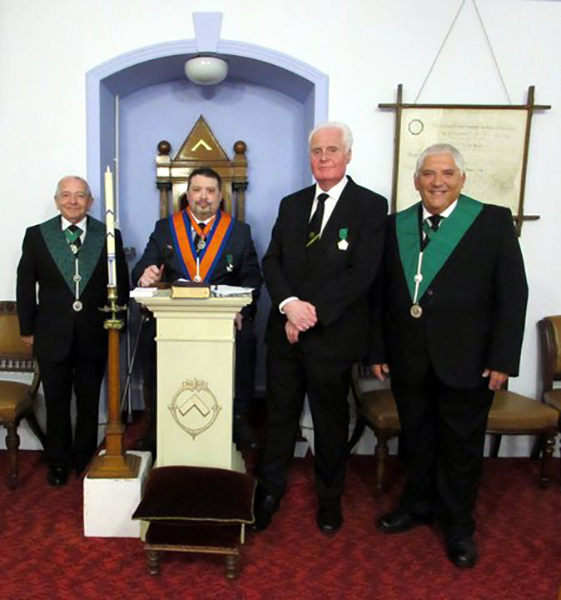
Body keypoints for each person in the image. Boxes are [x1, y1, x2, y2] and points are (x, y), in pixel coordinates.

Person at [371, 143, 528, 568]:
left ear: (462, 179)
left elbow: (513, 294)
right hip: (409, 357)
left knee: (461, 447)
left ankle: (458, 525)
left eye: (446, 174)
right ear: (416, 180)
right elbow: (380, 294)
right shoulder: (396, 226)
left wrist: (502, 359)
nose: (437, 182)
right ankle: (417, 505)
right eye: (428, 174)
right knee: (417, 439)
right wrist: (378, 348)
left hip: (468, 360)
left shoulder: (491, 221)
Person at [251, 122, 388, 534]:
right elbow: (272, 261)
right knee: (279, 416)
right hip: (285, 334)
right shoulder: (292, 204)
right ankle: (269, 491)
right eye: (316, 151)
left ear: (348, 155)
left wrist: (310, 315)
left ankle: (330, 499)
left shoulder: (370, 205)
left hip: (333, 335)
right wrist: (289, 306)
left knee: (330, 421)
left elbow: (362, 273)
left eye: (332, 150)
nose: (324, 157)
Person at [131, 167, 263, 451]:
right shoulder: (165, 229)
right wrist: (145, 275)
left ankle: (239, 419)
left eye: (210, 191)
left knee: (247, 338)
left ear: (220, 196)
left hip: (224, 317)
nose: (204, 197)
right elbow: (142, 268)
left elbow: (252, 277)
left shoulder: (239, 232)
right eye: (197, 190)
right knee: (148, 338)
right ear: (187, 194)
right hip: (173, 316)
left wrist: (241, 310)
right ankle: (156, 422)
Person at [17, 176, 129, 486]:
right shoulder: (38, 236)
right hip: (51, 334)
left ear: (90, 201)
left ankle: (84, 457)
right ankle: (57, 461)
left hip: (95, 333)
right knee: (56, 401)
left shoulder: (108, 236)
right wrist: (26, 329)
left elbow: (121, 282)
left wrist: (119, 324)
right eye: (66, 195)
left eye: (80, 195)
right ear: (57, 201)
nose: (73, 201)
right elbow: (25, 285)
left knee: (89, 400)